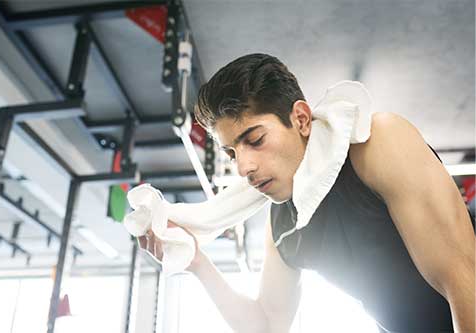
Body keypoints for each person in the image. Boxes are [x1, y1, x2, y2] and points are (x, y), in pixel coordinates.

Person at [138, 54, 475, 333]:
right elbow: (268, 324)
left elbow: (462, 279)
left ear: (300, 119)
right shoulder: (283, 222)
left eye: (255, 140)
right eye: (231, 153)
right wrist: (197, 262)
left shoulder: (376, 144)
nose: (243, 167)